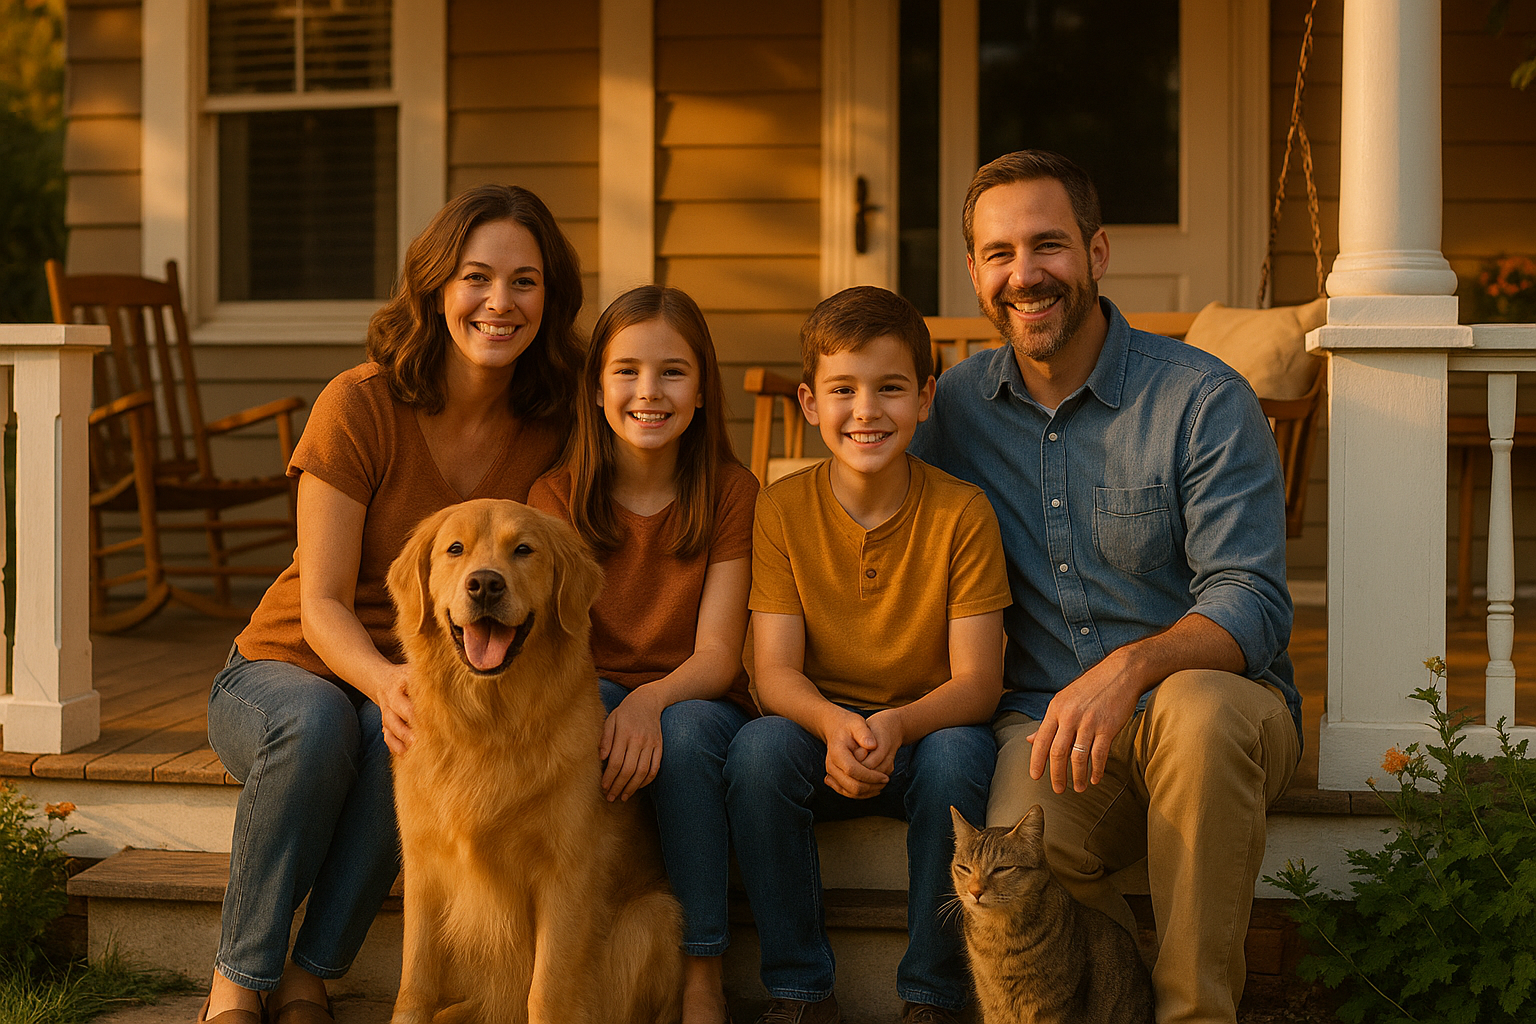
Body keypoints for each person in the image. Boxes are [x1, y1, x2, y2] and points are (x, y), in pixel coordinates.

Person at [908, 150, 1304, 1024]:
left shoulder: (1200, 399)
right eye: (1000, 254)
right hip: (1052, 726)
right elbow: (892, 532)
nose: (1026, 275)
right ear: (974, 271)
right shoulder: (958, 410)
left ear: (1097, 252)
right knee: (1024, 864)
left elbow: (1253, 599)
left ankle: (1196, 1012)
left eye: (1048, 246)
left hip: (1217, 716)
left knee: (1197, 708)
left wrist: (1130, 670)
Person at [200, 184, 584, 1024]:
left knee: (406, 733)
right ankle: (239, 977)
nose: (499, 302)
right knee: (330, 721)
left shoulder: (554, 425)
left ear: (549, 299)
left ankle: (313, 972)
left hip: (427, 678)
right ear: (437, 287)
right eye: (476, 277)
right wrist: (383, 680)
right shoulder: (360, 404)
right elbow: (324, 603)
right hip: (284, 670)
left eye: (525, 281)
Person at [724, 286, 1011, 1024]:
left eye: (889, 388)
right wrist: (829, 724)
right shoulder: (781, 509)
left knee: (961, 756)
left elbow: (979, 682)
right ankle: (798, 989)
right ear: (809, 402)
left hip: (923, 732)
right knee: (756, 752)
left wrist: (896, 726)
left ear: (925, 397)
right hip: (820, 739)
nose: (866, 411)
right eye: (843, 390)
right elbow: (772, 672)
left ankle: (933, 995)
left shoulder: (961, 512)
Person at [527, 285, 758, 1024]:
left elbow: (720, 653)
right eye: (626, 371)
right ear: (596, 389)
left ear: (701, 391)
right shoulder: (556, 497)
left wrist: (650, 701)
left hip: (695, 698)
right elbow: (551, 649)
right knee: (579, 715)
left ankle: (701, 972)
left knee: (687, 738)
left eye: (672, 372)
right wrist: (615, 702)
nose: (647, 392)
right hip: (586, 690)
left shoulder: (730, 493)